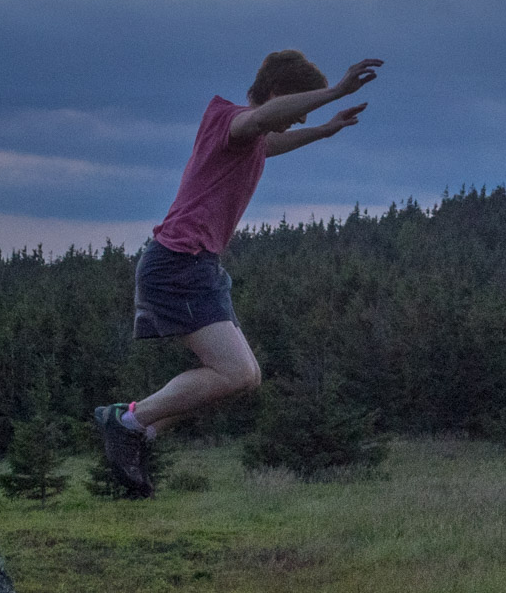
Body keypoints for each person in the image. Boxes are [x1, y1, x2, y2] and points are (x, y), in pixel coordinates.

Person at [94, 50, 383, 495]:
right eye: (299, 107)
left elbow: (268, 143)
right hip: (178, 263)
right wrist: (337, 91)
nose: (299, 118)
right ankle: (127, 421)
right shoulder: (232, 119)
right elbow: (261, 123)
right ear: (274, 95)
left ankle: (140, 428)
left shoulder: (249, 139)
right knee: (236, 373)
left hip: (196, 265)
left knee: (238, 378)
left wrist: (324, 130)